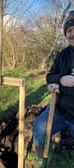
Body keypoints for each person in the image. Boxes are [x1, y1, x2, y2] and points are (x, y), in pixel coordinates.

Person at [32, 10, 74, 166]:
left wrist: (62, 87)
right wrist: (59, 79)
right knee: (39, 128)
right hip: (60, 109)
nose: (72, 33)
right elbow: (50, 76)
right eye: (69, 30)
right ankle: (43, 159)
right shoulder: (63, 55)